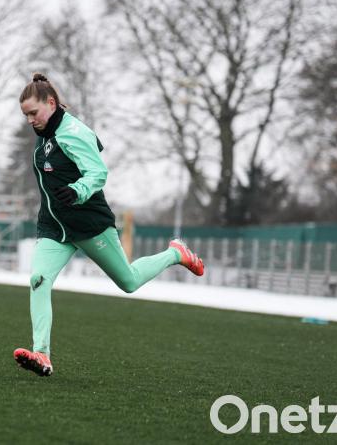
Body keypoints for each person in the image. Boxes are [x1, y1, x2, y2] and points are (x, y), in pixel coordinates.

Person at [13, 73, 205, 377]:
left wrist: (77, 190)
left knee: (129, 282)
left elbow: (98, 172)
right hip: (54, 227)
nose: (30, 120)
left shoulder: (74, 132)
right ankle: (42, 354)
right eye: (26, 115)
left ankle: (175, 253)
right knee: (38, 279)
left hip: (90, 224)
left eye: (33, 113)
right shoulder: (46, 132)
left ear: (51, 103)